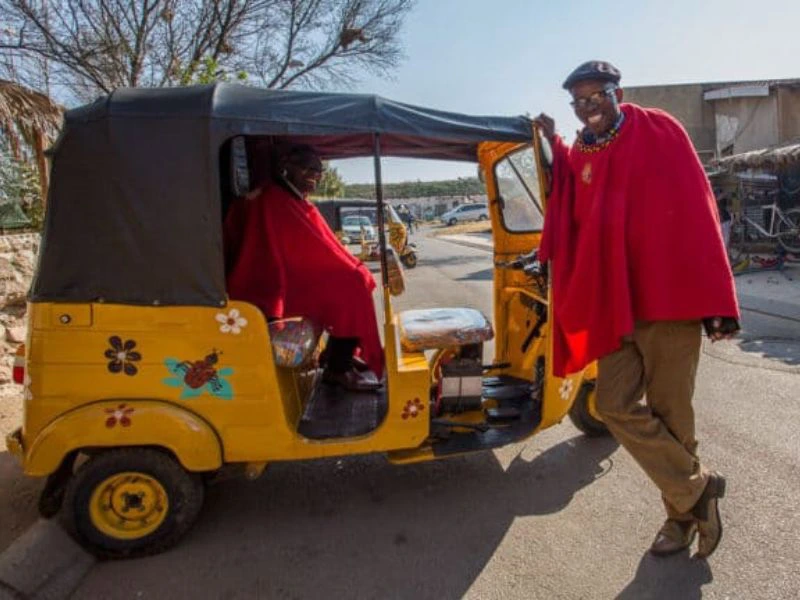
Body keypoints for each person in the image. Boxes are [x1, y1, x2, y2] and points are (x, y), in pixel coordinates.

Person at [534, 61, 740, 559]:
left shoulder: (659, 128)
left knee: (673, 417)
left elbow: (699, 208)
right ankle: (698, 488)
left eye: (595, 97)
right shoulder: (583, 148)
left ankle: (679, 520)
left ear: (616, 92)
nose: (588, 109)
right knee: (613, 404)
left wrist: (715, 297)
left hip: (668, 302)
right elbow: (575, 194)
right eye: (579, 102)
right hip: (614, 301)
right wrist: (551, 145)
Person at [224, 144, 383, 391]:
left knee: (358, 275)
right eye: (308, 169)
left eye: (319, 172)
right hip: (276, 281)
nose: (315, 177)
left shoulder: (292, 196)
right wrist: (345, 268)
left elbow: (320, 244)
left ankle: (335, 354)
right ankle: (337, 368)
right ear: (286, 168)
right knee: (353, 283)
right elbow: (297, 250)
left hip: (294, 273)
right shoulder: (273, 197)